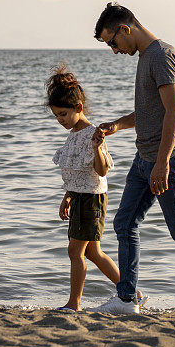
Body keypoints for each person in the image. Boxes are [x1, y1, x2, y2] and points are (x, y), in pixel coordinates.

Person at [91, 3, 175, 317]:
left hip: (166, 160)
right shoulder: (145, 58)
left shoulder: (161, 56)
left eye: (112, 42)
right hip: (144, 159)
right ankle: (126, 300)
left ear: (125, 28)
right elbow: (150, 113)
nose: (113, 50)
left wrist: (163, 163)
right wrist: (117, 125)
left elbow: (174, 112)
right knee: (124, 223)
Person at [46, 63, 147, 312]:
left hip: (92, 200)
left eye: (63, 115)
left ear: (78, 108)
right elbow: (76, 173)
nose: (60, 121)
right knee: (93, 253)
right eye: (56, 116)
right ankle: (134, 293)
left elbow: (101, 171)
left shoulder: (94, 134)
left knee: (74, 252)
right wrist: (67, 197)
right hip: (80, 197)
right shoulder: (73, 135)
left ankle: (74, 303)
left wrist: (96, 148)